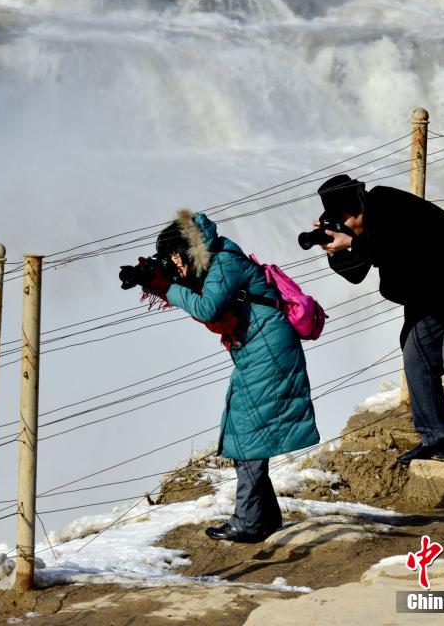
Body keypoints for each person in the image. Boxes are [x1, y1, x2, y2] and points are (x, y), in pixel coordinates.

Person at [134, 209, 319, 543]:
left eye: (173, 256)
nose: (173, 263)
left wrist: (166, 286)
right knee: (241, 429)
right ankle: (264, 517)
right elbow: (195, 294)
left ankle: (249, 521)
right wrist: (153, 281)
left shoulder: (224, 263)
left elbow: (208, 308)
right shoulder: (216, 264)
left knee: (248, 434)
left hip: (268, 352)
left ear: (188, 250)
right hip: (258, 351)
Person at [313, 176, 444, 464]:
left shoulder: (388, 203)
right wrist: (336, 252)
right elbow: (357, 272)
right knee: (415, 356)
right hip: (432, 295)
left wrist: (354, 243)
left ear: (354, 211)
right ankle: (434, 436)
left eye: (342, 220)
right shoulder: (368, 227)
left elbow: (393, 245)